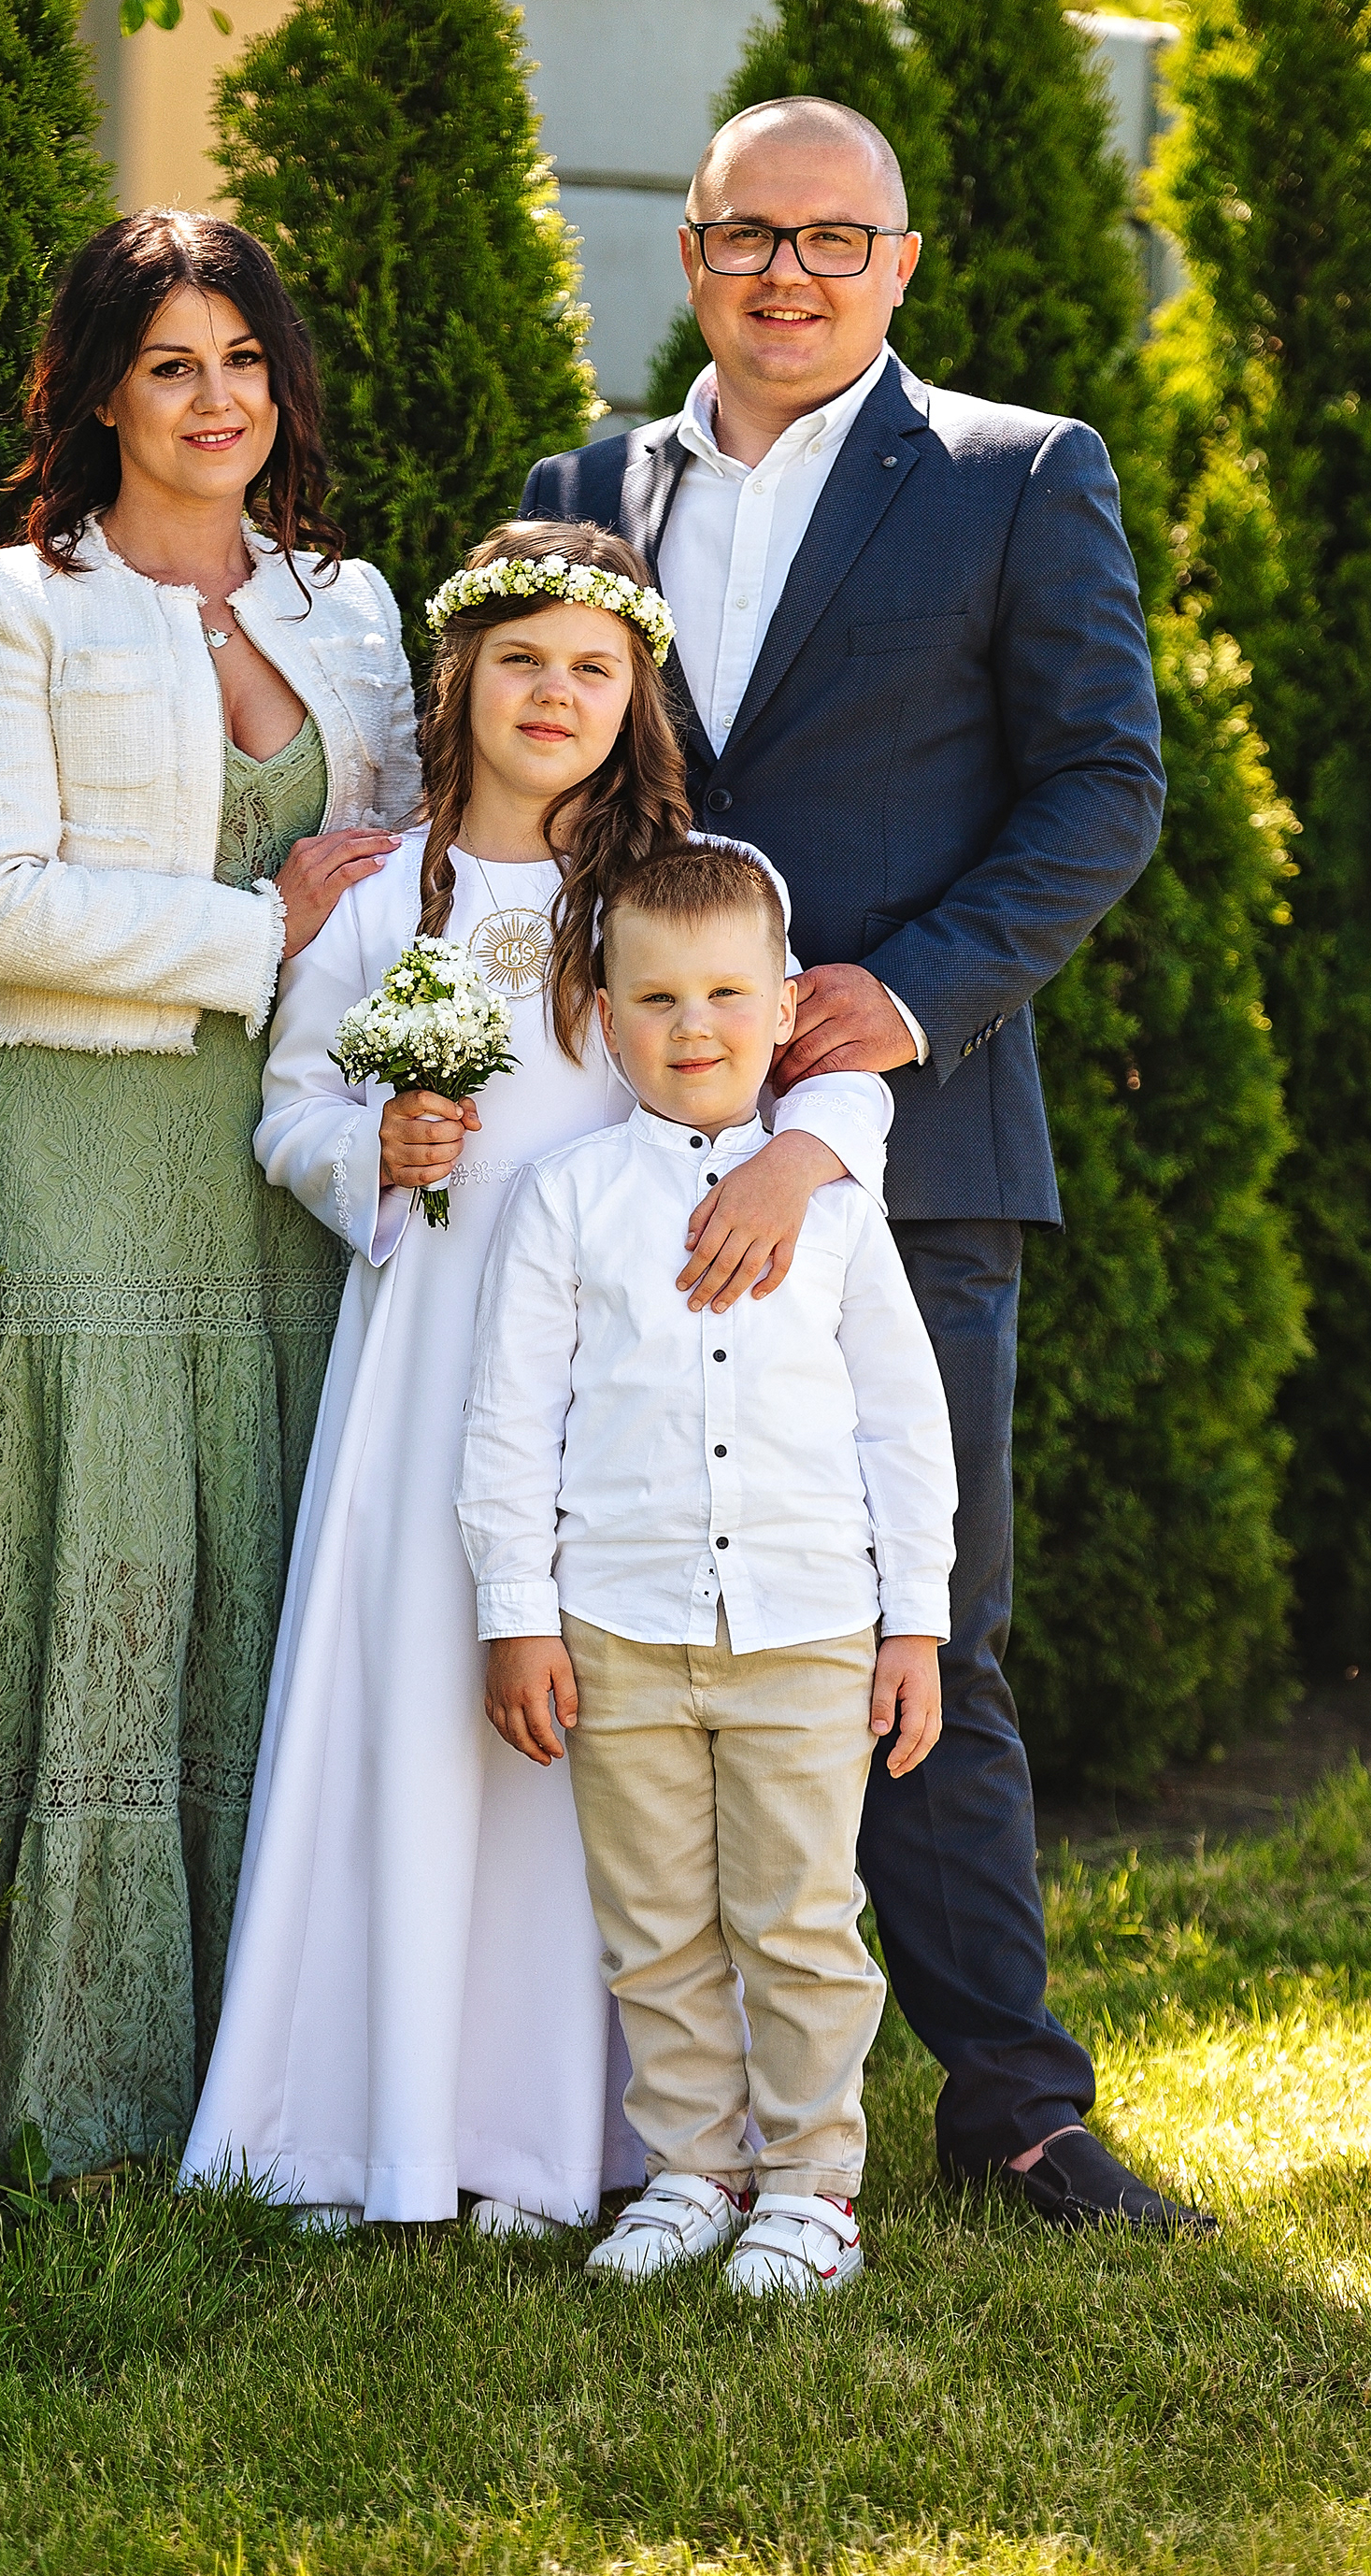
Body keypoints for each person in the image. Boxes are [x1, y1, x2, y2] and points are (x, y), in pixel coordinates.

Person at [521, 97, 1214, 2233]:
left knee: (929, 1627)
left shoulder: (1017, 475)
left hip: (913, 1158)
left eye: (838, 239)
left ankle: (1010, 2106)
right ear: (693, 254)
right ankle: (636, 2113)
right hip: (620, 1166)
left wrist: (904, 1000)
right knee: (615, 1611)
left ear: (901, 263)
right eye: (752, 234)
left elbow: (1105, 787)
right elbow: (523, 766)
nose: (791, 273)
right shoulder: (580, 497)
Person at [179, 521, 889, 2228]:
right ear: (459, 681)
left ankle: (615, 2141)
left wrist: (808, 1161)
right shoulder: (382, 894)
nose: (554, 695)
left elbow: (823, 1061)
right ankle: (410, 2126)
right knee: (441, 1710)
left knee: (615, 1745)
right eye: (520, 661)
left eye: (592, 667)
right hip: (437, 1363)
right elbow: (290, 1109)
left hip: (646, 1373)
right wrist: (374, 1149)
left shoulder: (685, 884)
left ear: (637, 692)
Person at [0, 208, 417, 2177]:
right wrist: (253, 928)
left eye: (245, 360)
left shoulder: (349, 606)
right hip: (85, 1136)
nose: (218, 400)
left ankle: (278, 2086)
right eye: (172, 365)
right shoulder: (9, 602)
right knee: (114, 1565)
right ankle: (87, 2100)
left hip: (294, 1145)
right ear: (102, 394)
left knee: (273, 1562)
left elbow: (409, 865)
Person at [459, 842, 956, 2293]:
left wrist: (915, 1624)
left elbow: (903, 1425)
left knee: (798, 1918)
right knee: (656, 1922)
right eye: (659, 998)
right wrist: (517, 1616)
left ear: (787, 1008)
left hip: (807, 1624)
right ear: (605, 1015)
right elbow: (510, 1422)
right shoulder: (564, 1200)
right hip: (618, 1624)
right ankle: (691, 2169)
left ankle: (813, 2187)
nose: (695, 1028)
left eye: (730, 995)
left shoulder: (835, 1208)